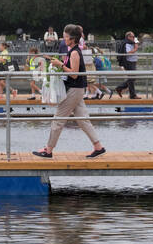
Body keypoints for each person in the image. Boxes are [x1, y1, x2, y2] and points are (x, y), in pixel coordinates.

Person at [33, 24, 106, 159]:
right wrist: (54, 61)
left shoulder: (74, 52)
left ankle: (48, 150)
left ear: (72, 39)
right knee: (83, 120)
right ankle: (98, 147)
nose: (63, 39)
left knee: (58, 120)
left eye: (65, 37)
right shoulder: (72, 50)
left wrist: (60, 65)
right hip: (76, 90)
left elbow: (74, 74)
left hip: (74, 89)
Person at [113, 32, 141, 99]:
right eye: (132, 37)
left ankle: (121, 89)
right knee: (132, 78)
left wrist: (135, 44)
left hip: (133, 62)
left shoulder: (131, 43)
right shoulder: (127, 44)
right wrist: (135, 49)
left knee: (132, 78)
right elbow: (127, 53)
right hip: (129, 62)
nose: (134, 38)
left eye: (134, 37)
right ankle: (132, 94)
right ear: (128, 37)